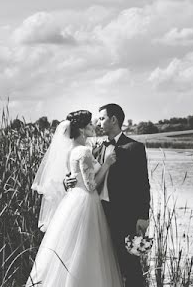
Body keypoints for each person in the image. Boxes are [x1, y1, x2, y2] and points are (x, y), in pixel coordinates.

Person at [27, 110, 123, 287]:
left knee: (70, 249)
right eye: (90, 123)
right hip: (86, 201)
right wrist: (107, 164)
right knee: (87, 250)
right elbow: (91, 186)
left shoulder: (71, 150)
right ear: (82, 128)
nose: (94, 126)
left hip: (72, 200)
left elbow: (73, 175)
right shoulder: (84, 151)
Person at [63, 104, 151, 287]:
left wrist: (143, 216)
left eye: (102, 118)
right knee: (102, 263)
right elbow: (81, 173)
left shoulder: (134, 148)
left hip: (123, 215)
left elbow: (143, 184)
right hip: (97, 212)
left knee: (130, 265)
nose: (98, 122)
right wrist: (68, 181)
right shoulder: (95, 148)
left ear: (114, 120)